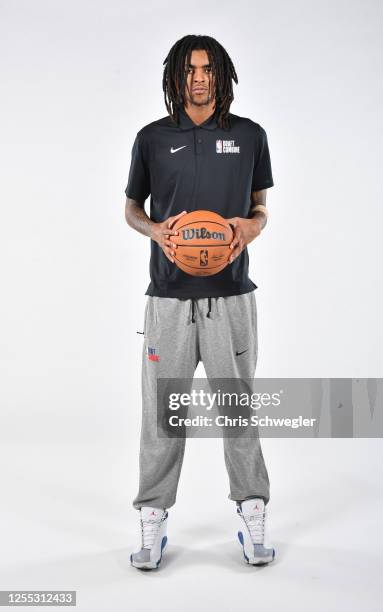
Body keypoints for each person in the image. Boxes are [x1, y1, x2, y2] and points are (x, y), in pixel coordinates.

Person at [124, 34, 275, 569]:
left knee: (239, 409)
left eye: (208, 68)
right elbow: (131, 209)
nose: (198, 77)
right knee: (163, 413)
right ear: (175, 76)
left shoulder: (250, 136)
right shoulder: (151, 138)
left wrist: (249, 229)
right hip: (167, 296)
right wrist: (157, 232)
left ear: (222, 75)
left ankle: (252, 508)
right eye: (189, 69)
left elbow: (260, 209)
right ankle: (152, 516)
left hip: (231, 295)